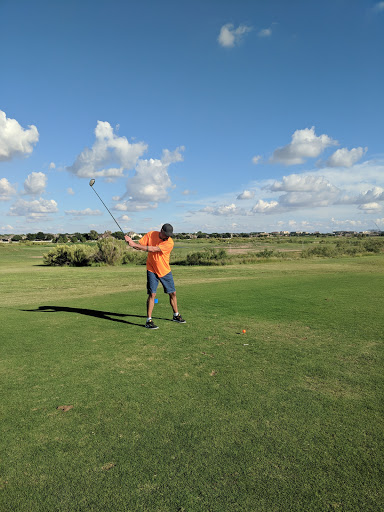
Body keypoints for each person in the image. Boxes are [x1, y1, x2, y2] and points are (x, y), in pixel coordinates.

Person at [124, 223, 186, 329]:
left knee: (173, 293)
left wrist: (134, 244)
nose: (167, 237)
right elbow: (141, 247)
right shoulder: (151, 234)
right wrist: (131, 243)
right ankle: (149, 320)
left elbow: (153, 249)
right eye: (166, 234)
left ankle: (176, 315)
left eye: (169, 235)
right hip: (151, 269)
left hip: (165, 270)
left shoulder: (169, 242)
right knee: (152, 294)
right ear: (161, 231)